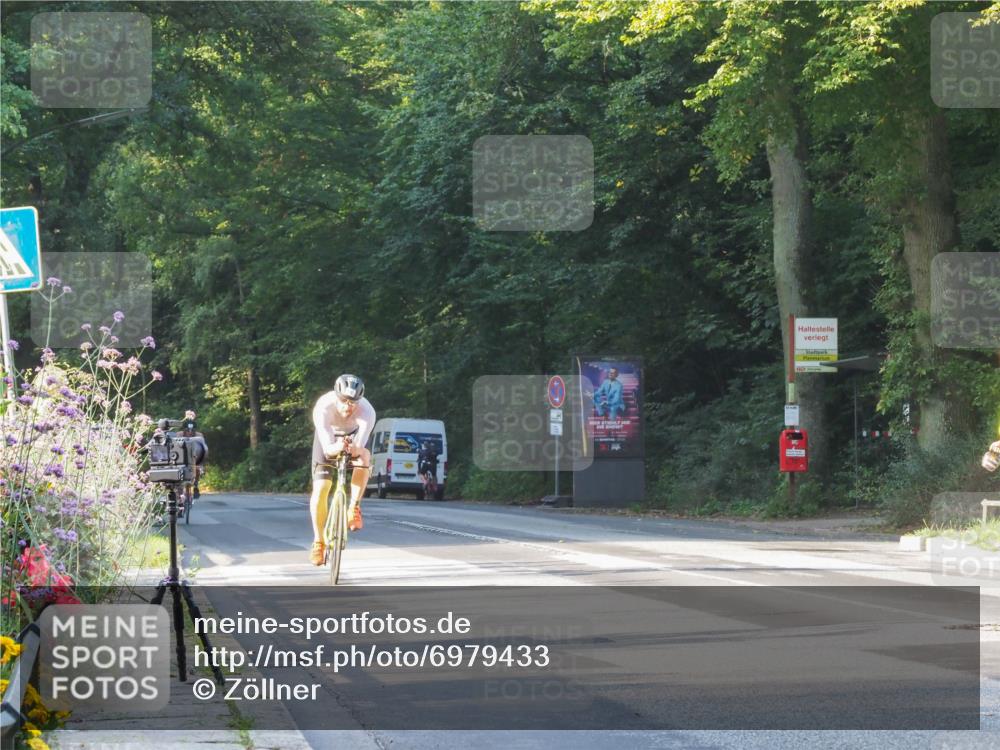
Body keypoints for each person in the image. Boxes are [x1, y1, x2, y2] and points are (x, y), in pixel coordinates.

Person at [309, 374, 375, 566]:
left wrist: (352, 449)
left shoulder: (367, 412)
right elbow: (328, 448)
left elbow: (359, 446)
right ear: (336, 396)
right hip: (328, 439)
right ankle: (318, 542)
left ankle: (354, 507)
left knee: (364, 456)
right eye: (344, 401)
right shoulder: (323, 408)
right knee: (321, 488)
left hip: (353, 437)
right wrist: (336, 447)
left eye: (354, 402)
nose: (349, 406)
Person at [178, 411, 207, 499]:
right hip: (182, 458)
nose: (189, 432)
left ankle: (196, 485)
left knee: (197, 468)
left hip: (195, 458)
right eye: (187, 430)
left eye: (192, 430)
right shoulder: (179, 434)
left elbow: (203, 448)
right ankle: (179, 490)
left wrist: (202, 461)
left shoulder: (199, 435)